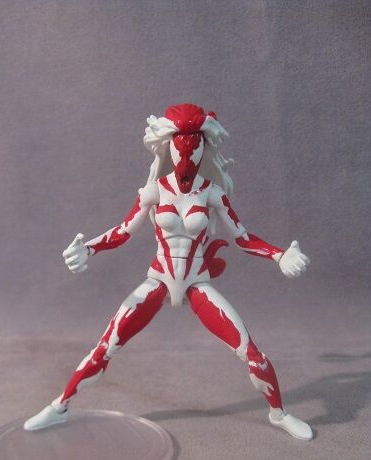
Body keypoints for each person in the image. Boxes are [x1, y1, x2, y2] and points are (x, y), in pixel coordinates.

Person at [24, 103, 312, 440]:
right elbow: (123, 231)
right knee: (105, 347)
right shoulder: (155, 191)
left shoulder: (212, 193)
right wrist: (87, 248)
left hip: (196, 282)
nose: (187, 154)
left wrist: (280, 255)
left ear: (203, 148)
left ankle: (279, 414)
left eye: (194, 146)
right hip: (159, 280)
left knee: (251, 353)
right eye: (181, 146)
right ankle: (59, 407)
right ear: (170, 148)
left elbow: (243, 238)